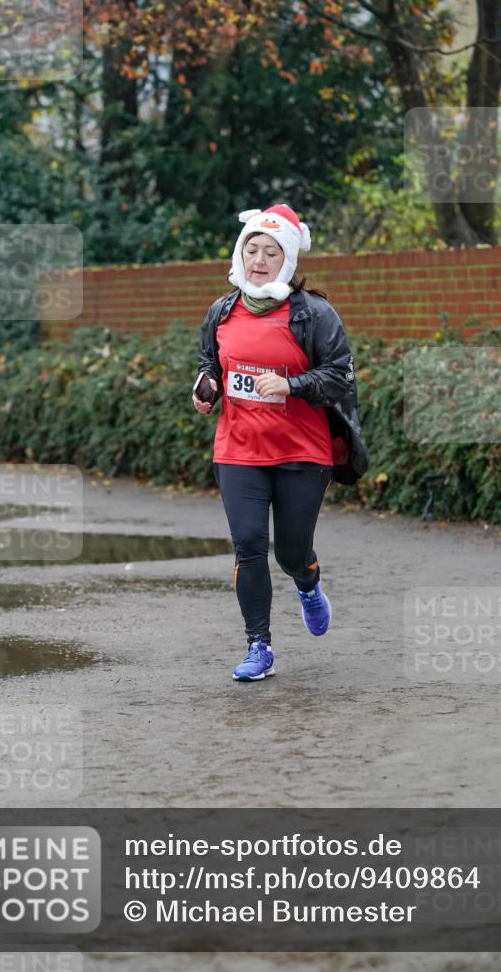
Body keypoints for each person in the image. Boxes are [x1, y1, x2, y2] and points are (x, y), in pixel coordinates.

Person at [193, 204, 368, 682]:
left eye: (272, 251)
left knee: (290, 552)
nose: (260, 259)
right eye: (252, 249)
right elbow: (209, 362)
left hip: (302, 452)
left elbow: (340, 377)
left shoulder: (313, 314)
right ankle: (259, 646)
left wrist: (291, 386)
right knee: (249, 545)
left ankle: (307, 581)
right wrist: (205, 386)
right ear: (240, 253)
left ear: (287, 260)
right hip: (239, 450)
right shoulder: (222, 310)